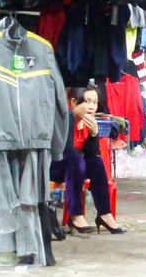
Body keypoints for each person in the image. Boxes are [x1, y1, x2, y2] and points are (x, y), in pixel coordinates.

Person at [49, 85, 126, 235]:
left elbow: (91, 153)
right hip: (53, 167)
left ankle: (104, 214)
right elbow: (66, 151)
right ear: (73, 103)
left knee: (97, 162)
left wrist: (93, 133)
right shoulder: (64, 120)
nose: (92, 107)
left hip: (75, 168)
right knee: (76, 159)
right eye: (87, 102)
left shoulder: (88, 122)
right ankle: (75, 214)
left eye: (95, 102)